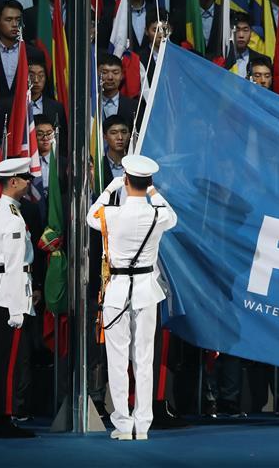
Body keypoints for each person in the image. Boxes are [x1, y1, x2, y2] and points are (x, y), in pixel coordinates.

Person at [86, 155, 177, 441]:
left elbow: (90, 216)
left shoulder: (112, 214)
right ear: (149, 182)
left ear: (125, 180)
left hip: (118, 289)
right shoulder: (156, 214)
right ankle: (143, 425)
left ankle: (123, 425)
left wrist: (111, 188)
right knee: (144, 358)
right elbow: (172, 217)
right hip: (146, 290)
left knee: (117, 359)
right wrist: (152, 191)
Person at [0, 157, 37, 438]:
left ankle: (3, 417)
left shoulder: (0, 210)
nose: (30, 182)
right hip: (11, 296)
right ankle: (3, 419)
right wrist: (17, 308)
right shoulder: (12, 217)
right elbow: (15, 266)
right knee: (9, 362)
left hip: (2, 291)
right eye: (26, 178)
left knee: (5, 360)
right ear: (13, 181)